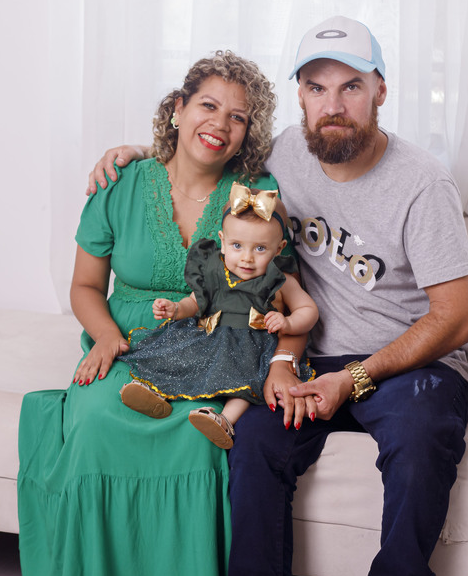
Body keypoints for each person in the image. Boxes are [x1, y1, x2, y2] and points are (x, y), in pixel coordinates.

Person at [85, 15, 468, 576]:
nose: (334, 104)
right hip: (307, 358)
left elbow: (455, 317)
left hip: (408, 365)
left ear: (380, 91)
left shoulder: (422, 183)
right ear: (299, 97)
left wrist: (354, 380)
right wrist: (135, 152)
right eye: (317, 87)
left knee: (421, 445)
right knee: (253, 446)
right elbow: (204, 151)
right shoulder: (287, 155)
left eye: (351, 86)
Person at [17, 50, 284, 576]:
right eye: (208, 106)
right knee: (91, 422)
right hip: (126, 339)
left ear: (248, 134)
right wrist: (108, 339)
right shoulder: (121, 181)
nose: (220, 124)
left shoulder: (255, 192)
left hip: (212, 345)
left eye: (238, 117)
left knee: (198, 434)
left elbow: (271, 284)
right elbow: (85, 286)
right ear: (178, 109)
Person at [119, 183, 318, 449]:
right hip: (210, 334)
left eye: (260, 249)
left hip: (253, 346)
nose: (247, 258)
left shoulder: (281, 280)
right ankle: (155, 395)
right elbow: (195, 302)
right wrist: (177, 309)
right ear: (223, 241)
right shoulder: (214, 269)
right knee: (180, 357)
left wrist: (289, 322)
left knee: (249, 381)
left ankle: (224, 420)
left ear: (279, 248)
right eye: (237, 245)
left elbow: (309, 311)